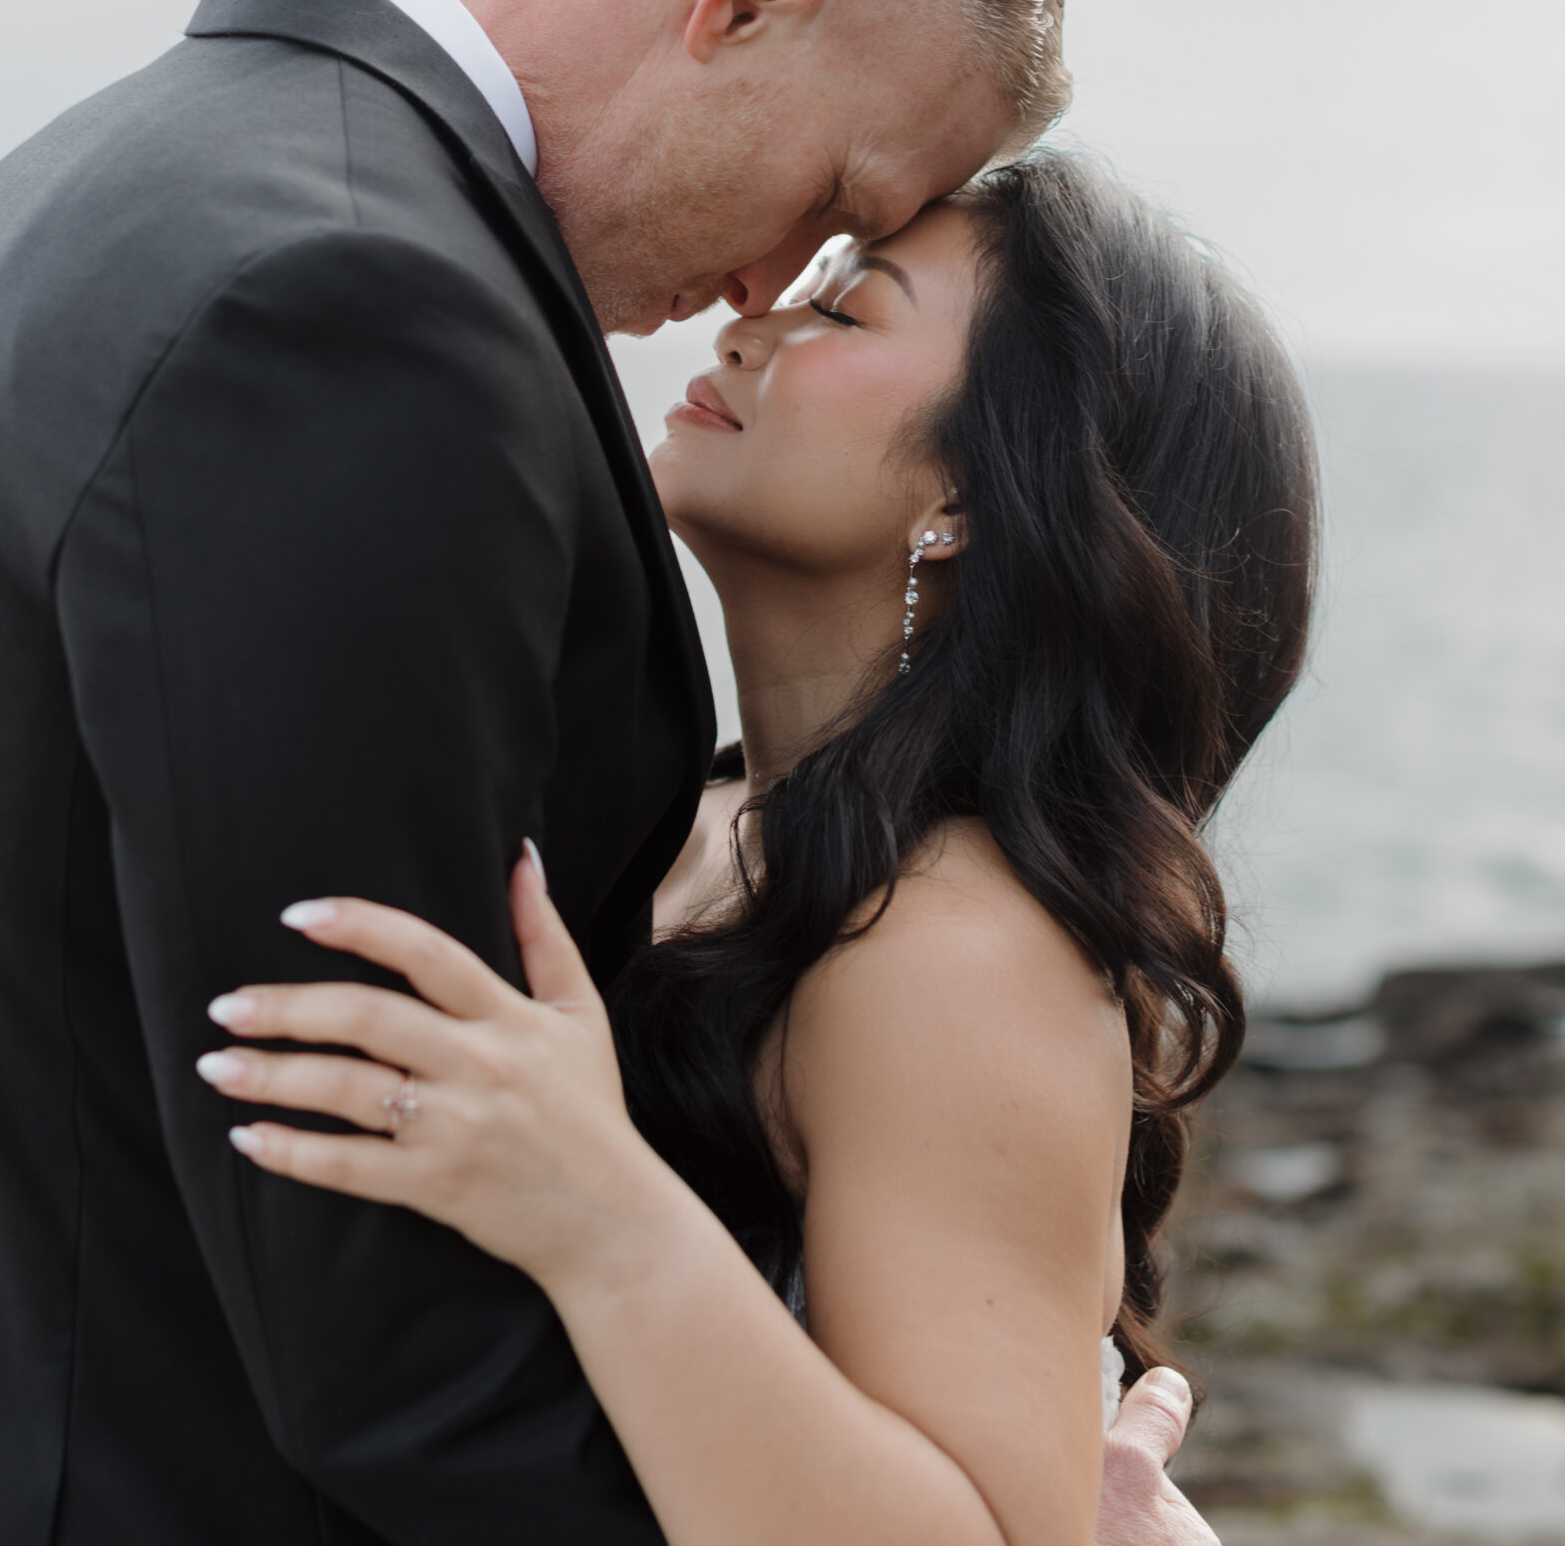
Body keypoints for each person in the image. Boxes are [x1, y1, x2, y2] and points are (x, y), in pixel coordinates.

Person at [0, 0, 1126, 1546]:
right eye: (839, 204)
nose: (768, 288)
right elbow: (390, 1338)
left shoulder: (109, 175)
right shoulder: (354, 305)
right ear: (752, 0)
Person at [195, 152, 1318, 1546]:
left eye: (847, 315)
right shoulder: (723, 819)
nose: (750, 323)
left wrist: (593, 1210)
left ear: (974, 495)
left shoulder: (953, 947)